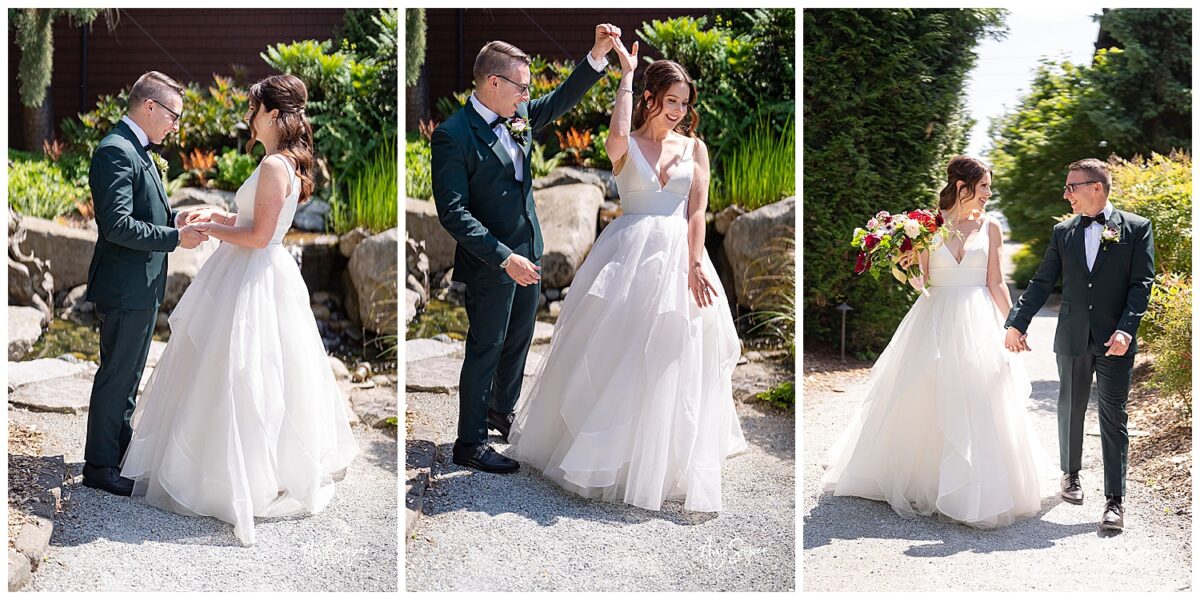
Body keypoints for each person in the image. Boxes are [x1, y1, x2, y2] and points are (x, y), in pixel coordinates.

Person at [507, 37, 747, 512]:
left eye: (684, 103)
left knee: (673, 350)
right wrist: (626, 74)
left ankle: (666, 458)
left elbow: (697, 212)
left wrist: (696, 261)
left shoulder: (695, 149)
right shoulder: (626, 144)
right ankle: (611, 452)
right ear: (651, 99)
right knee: (621, 350)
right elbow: (618, 135)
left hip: (679, 254)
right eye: (670, 100)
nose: (678, 111)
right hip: (627, 255)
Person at [119, 74, 360, 546]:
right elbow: (250, 223)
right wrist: (211, 217)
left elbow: (255, 236)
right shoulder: (280, 162)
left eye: (252, 108)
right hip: (258, 269)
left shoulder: (275, 165)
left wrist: (211, 231)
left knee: (244, 374)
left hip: (253, 275)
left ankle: (234, 475)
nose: (246, 116)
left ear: (271, 114)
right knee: (252, 373)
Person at [822, 155, 1052, 528]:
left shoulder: (992, 227)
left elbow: (995, 281)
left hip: (979, 318)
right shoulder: (927, 227)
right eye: (984, 187)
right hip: (937, 317)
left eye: (989, 187)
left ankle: (977, 485)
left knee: (980, 396)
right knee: (930, 394)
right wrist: (907, 261)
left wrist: (1015, 323)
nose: (989, 194)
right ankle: (929, 479)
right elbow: (923, 281)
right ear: (962, 187)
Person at [431, 25, 619, 474]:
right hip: (491, 260)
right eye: (522, 86)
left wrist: (595, 55)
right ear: (493, 83)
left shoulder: (518, 114)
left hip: (528, 250)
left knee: (518, 340)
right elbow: (453, 213)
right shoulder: (453, 135)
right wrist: (502, 257)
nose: (527, 94)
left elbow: (560, 100)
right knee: (486, 345)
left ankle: (501, 410)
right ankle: (469, 442)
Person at [1004, 158, 1155, 532]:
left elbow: (1141, 284)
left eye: (1072, 186)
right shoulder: (1063, 232)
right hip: (1072, 336)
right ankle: (1070, 474)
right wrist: (1016, 323)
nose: (1066, 193)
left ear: (1097, 187)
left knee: (1113, 415)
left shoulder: (1136, 229)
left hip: (1115, 339)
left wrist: (1126, 330)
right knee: (1070, 407)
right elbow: (1042, 282)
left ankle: (1114, 501)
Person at [83, 71, 210, 497]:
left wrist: (176, 219)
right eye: (173, 115)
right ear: (150, 107)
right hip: (124, 286)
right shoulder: (115, 151)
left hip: (141, 285)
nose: (176, 125)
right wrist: (175, 239)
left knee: (130, 372)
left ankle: (116, 451)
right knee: (117, 374)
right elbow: (117, 225)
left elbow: (143, 211)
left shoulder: (140, 149)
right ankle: (98, 466)